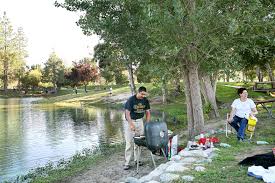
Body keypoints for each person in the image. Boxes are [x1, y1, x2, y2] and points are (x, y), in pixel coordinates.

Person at [123, 86, 151, 170]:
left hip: (140, 122)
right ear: (138, 92)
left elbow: (148, 112)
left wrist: (147, 123)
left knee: (138, 142)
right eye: (142, 94)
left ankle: (137, 160)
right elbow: (127, 113)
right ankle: (127, 163)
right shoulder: (131, 100)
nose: (143, 96)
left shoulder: (145, 100)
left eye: (144, 94)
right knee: (129, 143)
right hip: (130, 121)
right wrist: (131, 124)